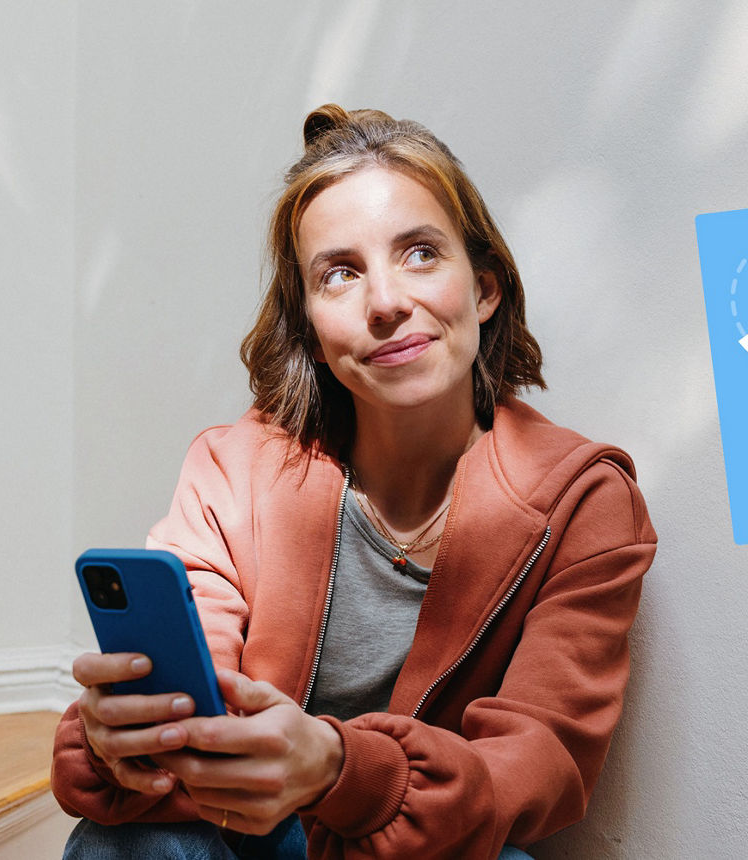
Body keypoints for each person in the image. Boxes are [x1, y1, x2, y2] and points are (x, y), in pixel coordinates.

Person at [51, 104, 657, 860]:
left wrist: (341, 769)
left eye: (421, 254)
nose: (385, 303)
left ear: (487, 289)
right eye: (339, 274)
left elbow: (539, 763)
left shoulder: (584, 500)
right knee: (132, 840)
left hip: (409, 842)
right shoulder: (234, 467)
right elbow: (196, 679)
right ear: (310, 325)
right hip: (238, 828)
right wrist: (131, 738)